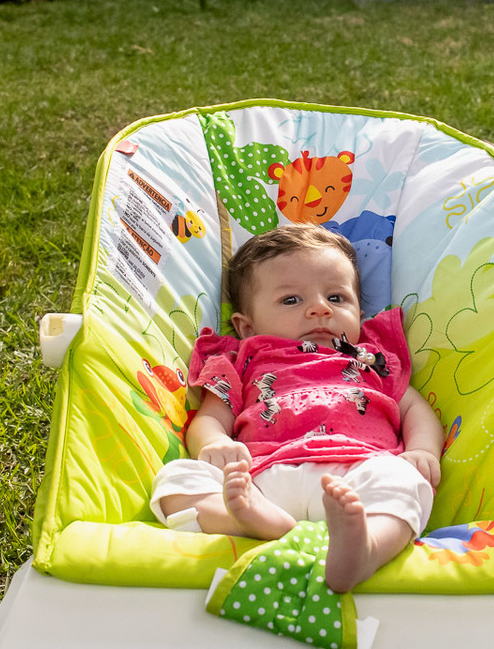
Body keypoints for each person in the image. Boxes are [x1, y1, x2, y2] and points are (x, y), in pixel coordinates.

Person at [151, 223, 443, 593]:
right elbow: (210, 417)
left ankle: (365, 548)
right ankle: (250, 521)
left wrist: (421, 451)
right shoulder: (242, 360)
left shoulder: (374, 360)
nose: (319, 309)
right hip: (260, 479)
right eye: (292, 300)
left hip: (358, 472)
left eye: (337, 299)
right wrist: (213, 444)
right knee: (176, 480)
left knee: (404, 482)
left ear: (359, 312)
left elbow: (416, 410)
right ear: (246, 326)